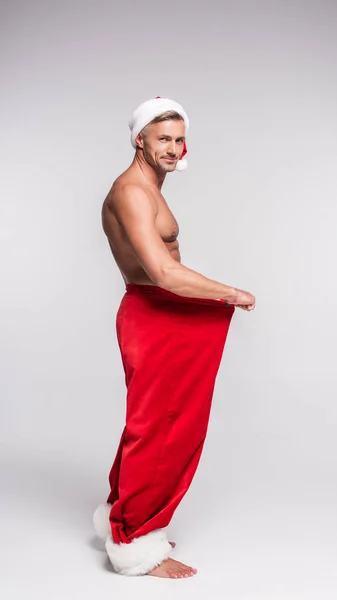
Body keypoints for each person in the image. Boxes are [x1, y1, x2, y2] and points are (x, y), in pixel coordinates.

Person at [93, 97, 256, 579]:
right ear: (139, 139)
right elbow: (162, 272)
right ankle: (135, 542)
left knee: (158, 424)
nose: (174, 147)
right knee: (160, 429)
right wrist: (231, 292)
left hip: (163, 316)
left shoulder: (148, 186)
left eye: (179, 138)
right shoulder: (133, 192)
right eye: (163, 138)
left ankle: (124, 518)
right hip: (155, 316)